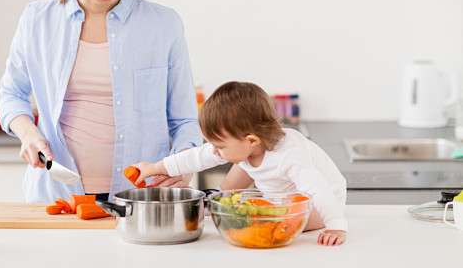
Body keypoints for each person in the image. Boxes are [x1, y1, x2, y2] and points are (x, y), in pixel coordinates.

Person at [0, 0, 203, 203]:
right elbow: (11, 94)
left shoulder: (163, 24)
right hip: (57, 194)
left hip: (141, 197)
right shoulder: (37, 20)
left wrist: (184, 162)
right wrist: (29, 134)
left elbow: (185, 120)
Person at [132, 81, 348, 246]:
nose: (214, 151)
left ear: (251, 140)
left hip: (322, 201)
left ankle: (243, 208)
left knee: (274, 221)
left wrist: (336, 226)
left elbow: (319, 190)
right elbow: (198, 156)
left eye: (220, 145)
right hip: (282, 194)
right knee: (241, 162)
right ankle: (217, 200)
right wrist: (155, 167)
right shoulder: (244, 145)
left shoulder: (289, 157)